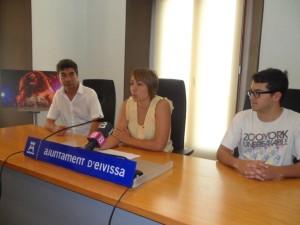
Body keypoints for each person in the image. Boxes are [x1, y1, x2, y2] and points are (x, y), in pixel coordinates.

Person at [216, 68, 300, 181]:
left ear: (276, 96)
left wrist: (277, 172)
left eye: (258, 93)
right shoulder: (241, 118)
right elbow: (221, 153)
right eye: (251, 92)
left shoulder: (296, 121)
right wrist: (239, 164)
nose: (251, 97)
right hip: (244, 181)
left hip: (278, 185)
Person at [99, 68, 174, 152]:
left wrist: (127, 140)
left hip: (161, 158)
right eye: (132, 83)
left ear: (150, 87)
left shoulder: (162, 105)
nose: (133, 88)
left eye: (139, 84)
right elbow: (117, 136)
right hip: (136, 154)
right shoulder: (127, 104)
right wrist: (96, 147)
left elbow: (158, 145)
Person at [45, 59, 103, 136]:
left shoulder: (90, 94)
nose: (68, 79)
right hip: (68, 140)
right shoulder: (58, 95)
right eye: (63, 75)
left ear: (77, 75)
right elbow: (48, 122)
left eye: (71, 74)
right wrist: (55, 129)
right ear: (58, 77)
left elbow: (97, 122)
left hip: (86, 138)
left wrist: (88, 142)